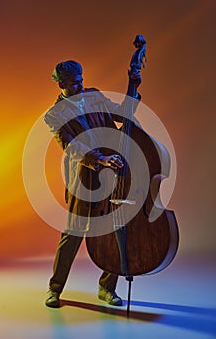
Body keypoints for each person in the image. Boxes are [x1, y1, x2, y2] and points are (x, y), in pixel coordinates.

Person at [44, 60, 142, 308]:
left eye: (81, 80)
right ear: (61, 84)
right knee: (73, 234)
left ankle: (107, 288)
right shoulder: (54, 115)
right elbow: (70, 146)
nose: (80, 86)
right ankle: (55, 289)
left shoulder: (94, 95)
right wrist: (99, 159)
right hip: (84, 179)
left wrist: (133, 85)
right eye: (74, 83)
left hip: (114, 174)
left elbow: (122, 114)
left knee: (117, 232)